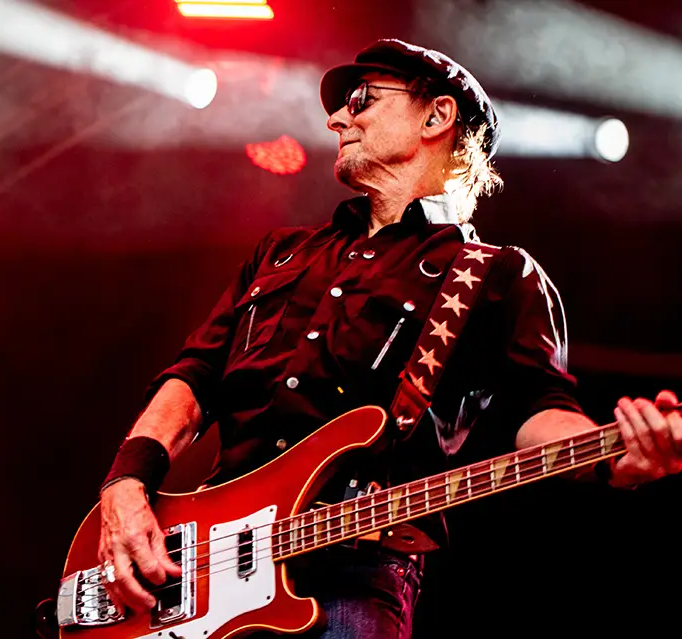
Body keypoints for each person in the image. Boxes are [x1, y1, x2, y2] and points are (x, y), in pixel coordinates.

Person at [93, 39, 682, 639]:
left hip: (351, 579)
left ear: (436, 117)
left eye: (361, 100)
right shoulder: (282, 252)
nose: (336, 118)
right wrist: (125, 484)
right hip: (195, 576)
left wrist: (613, 455)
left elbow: (540, 409)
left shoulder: (495, 274)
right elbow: (192, 379)